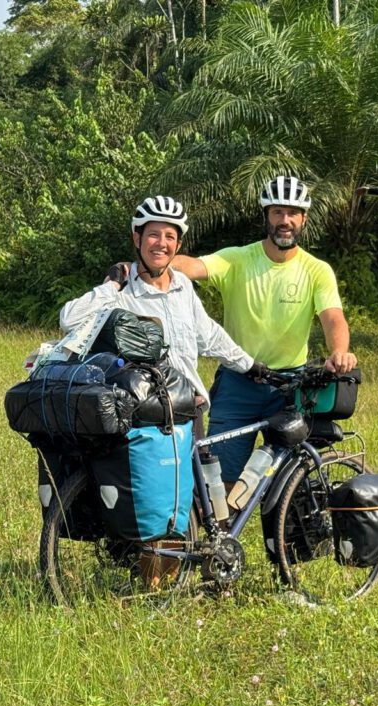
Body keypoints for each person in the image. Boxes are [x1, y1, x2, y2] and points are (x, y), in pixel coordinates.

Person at [169, 175, 358, 483]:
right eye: (277, 212)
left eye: (292, 213)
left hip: (290, 387)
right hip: (238, 382)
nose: (285, 220)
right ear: (266, 216)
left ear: (304, 219)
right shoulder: (237, 259)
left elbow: (333, 318)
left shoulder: (316, 270)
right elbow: (192, 266)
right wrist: (152, 262)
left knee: (288, 483)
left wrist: (339, 351)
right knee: (220, 479)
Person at [60, 195, 263, 429]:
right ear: (137, 239)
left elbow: (209, 336)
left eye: (169, 237)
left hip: (189, 408)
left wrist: (250, 366)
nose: (161, 243)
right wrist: (112, 284)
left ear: (178, 246)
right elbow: (69, 319)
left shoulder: (182, 286)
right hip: (144, 417)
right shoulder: (122, 290)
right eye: (154, 235)